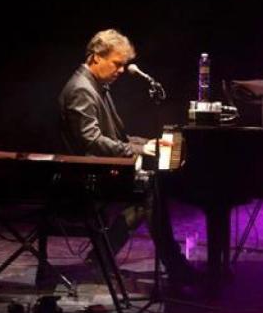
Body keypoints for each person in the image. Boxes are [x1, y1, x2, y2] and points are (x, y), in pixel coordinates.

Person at [57, 28, 194, 285]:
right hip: (85, 175)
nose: (121, 70)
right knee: (150, 191)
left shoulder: (96, 86)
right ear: (96, 57)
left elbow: (114, 137)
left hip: (96, 168)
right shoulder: (82, 90)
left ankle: (101, 258)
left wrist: (146, 143)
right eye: (117, 64)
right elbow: (92, 142)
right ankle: (175, 266)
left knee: (147, 195)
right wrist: (141, 150)